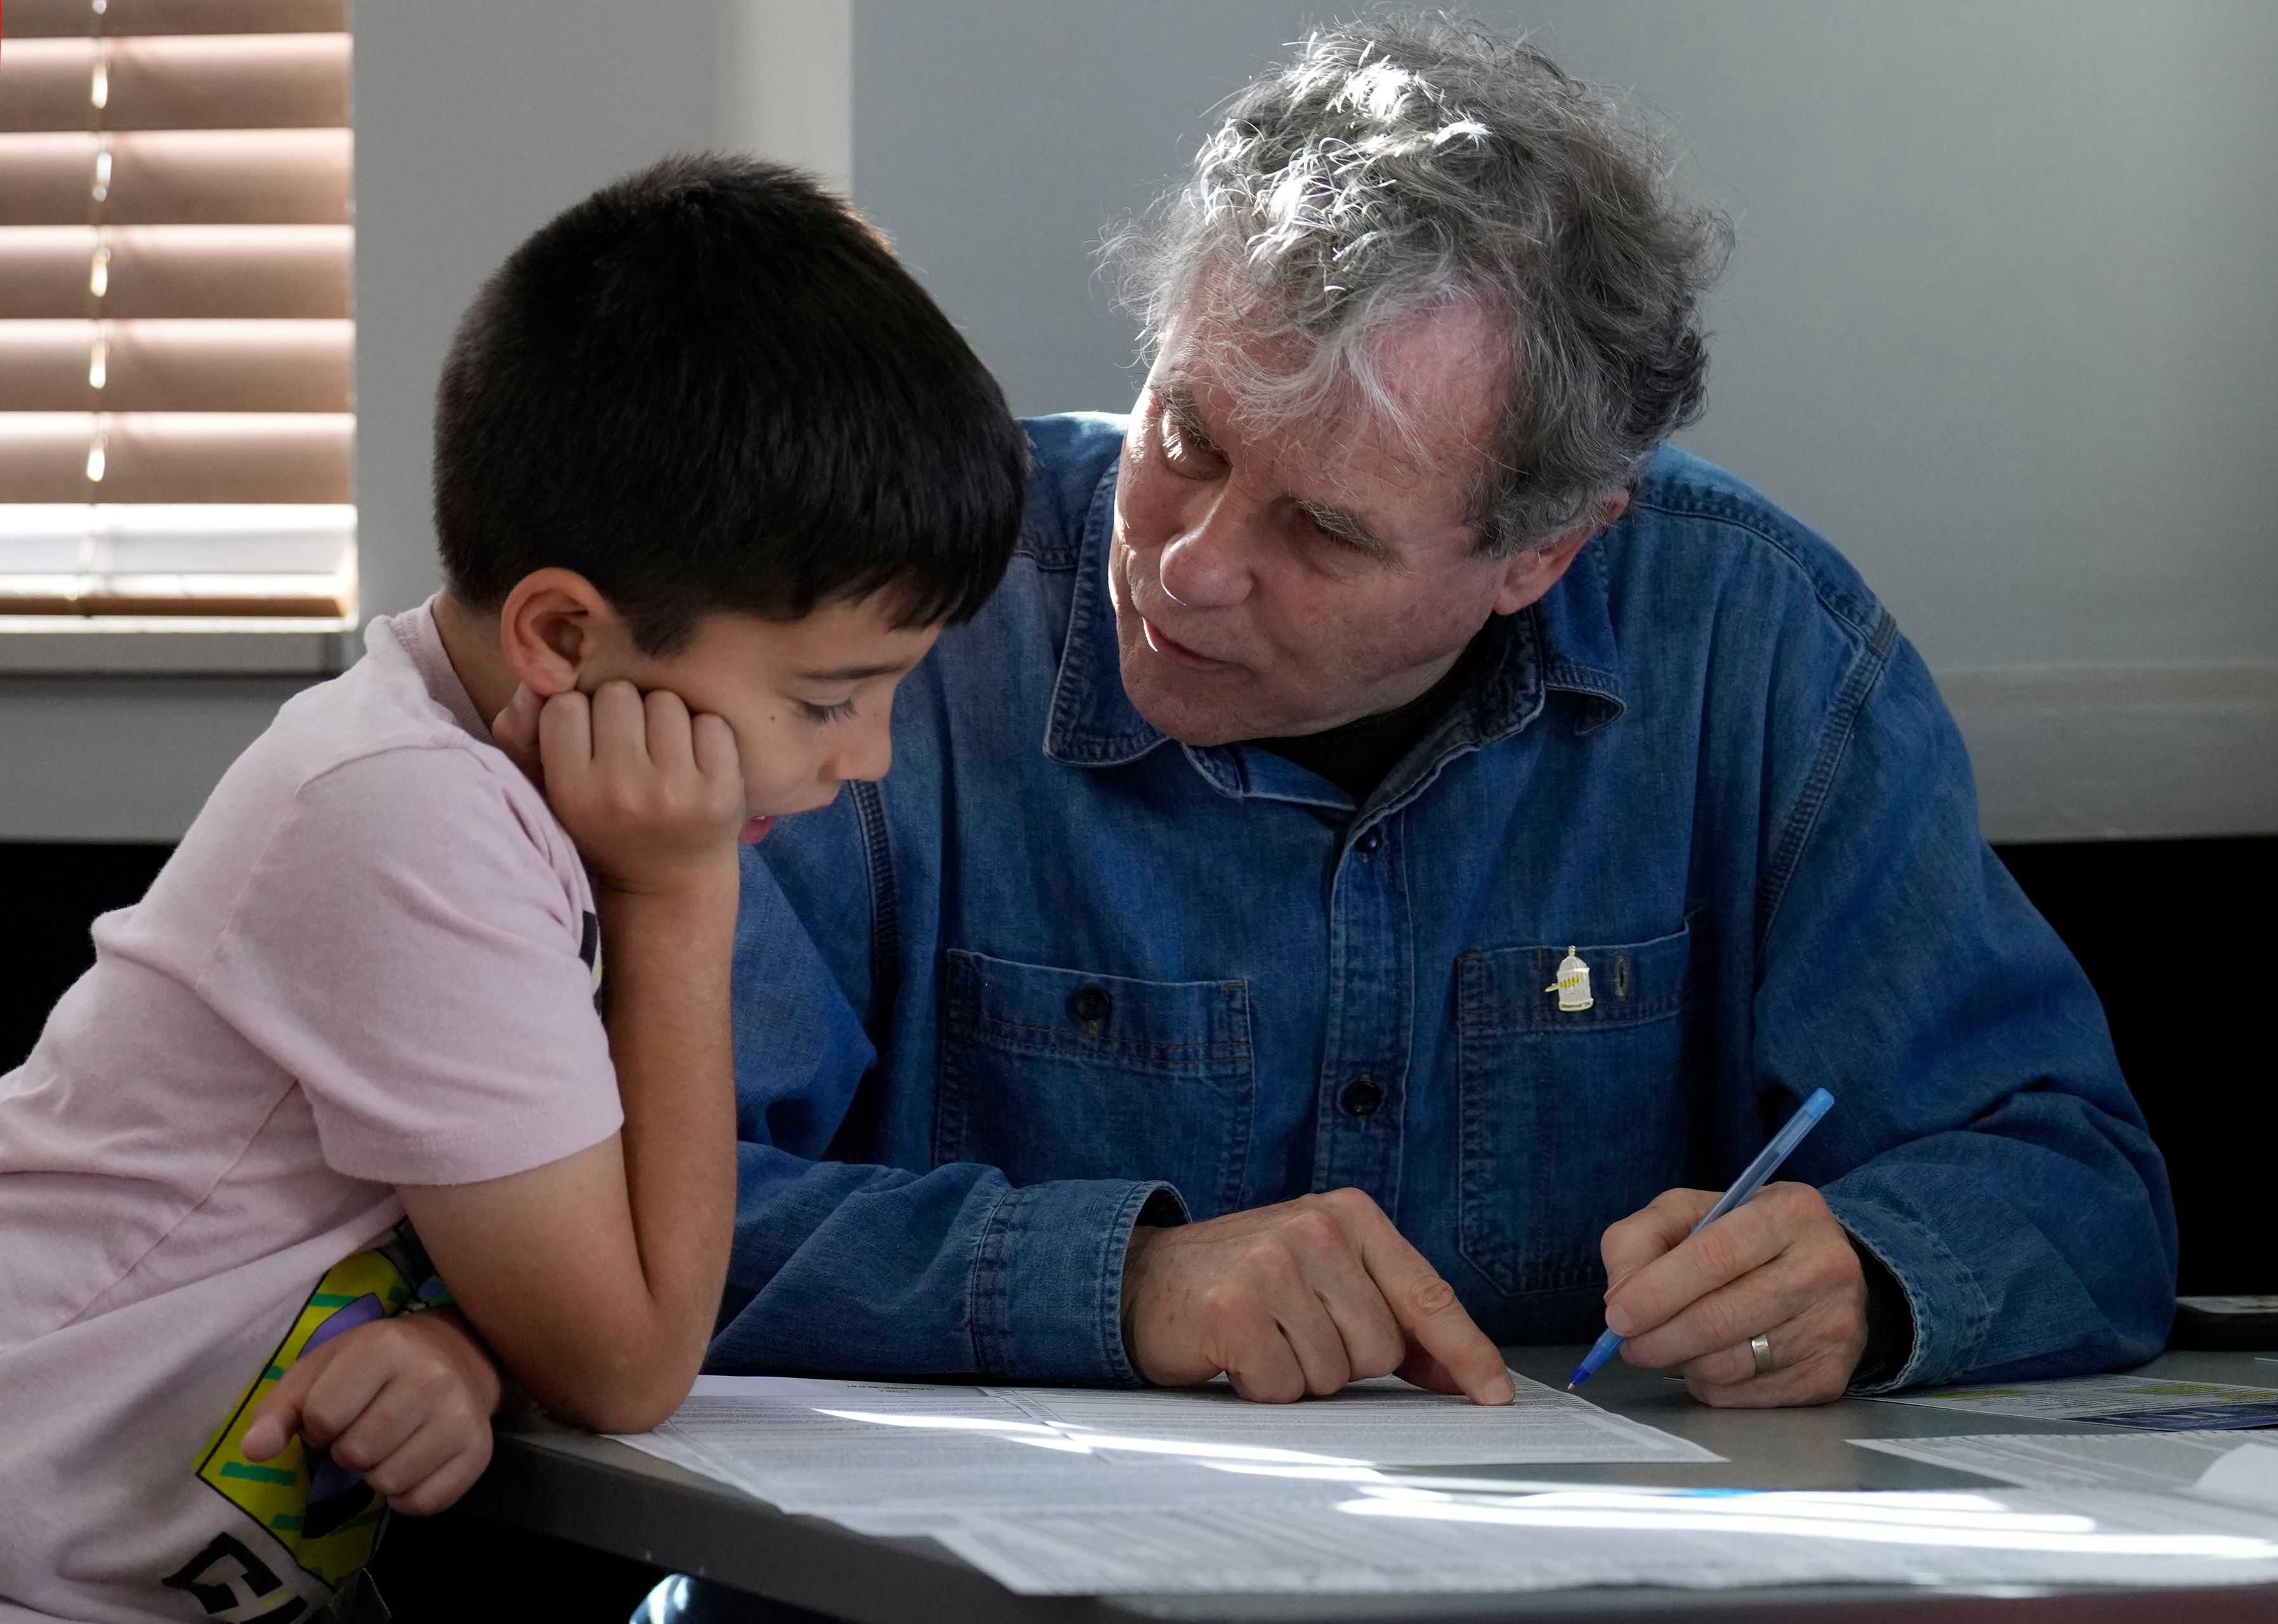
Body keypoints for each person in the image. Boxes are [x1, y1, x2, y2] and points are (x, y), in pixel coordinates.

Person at [714, 17, 2174, 1414]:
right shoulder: (903, 625)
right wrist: (1122, 1280)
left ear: (1544, 553)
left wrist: (1866, 1276)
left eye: (1326, 531)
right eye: (1188, 433)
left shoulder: (1757, 649)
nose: (1192, 562)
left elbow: (2074, 1180)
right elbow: (632, 1217)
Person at [0, 155, 1025, 1621]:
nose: (863, 761)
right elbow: (630, 1363)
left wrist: (469, 1349)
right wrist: (679, 902)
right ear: (563, 632)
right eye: (828, 698)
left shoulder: (490, 792)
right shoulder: (411, 816)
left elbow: (525, 1256)